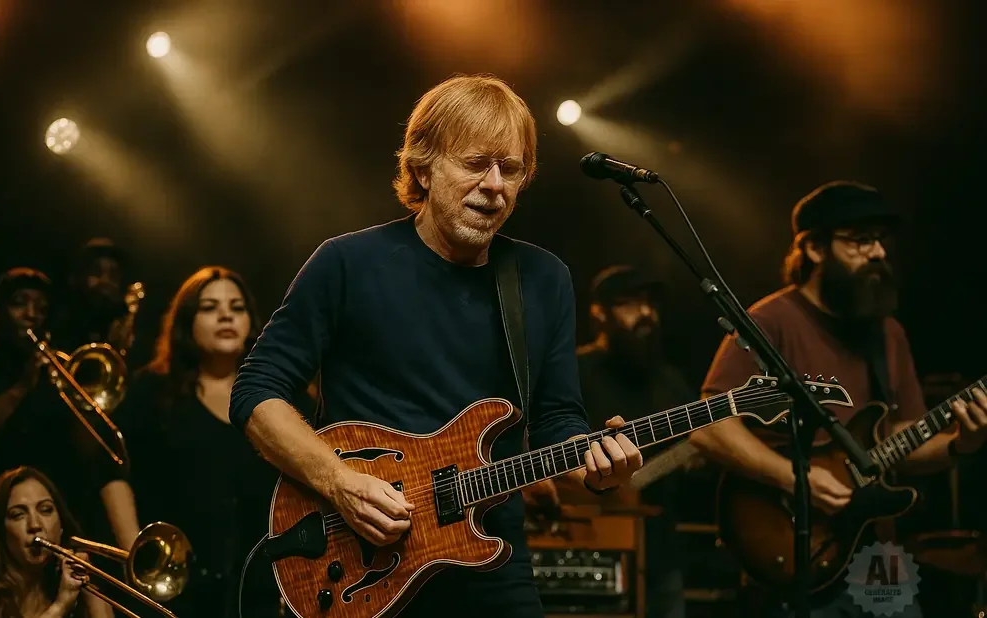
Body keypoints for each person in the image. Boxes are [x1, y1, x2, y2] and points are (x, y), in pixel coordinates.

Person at [229, 73, 643, 618]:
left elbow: (556, 419)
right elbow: (256, 391)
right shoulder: (347, 263)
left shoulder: (542, 279)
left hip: (492, 565)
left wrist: (595, 466)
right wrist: (339, 482)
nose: (495, 185)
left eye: (511, 169)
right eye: (476, 164)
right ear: (423, 166)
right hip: (365, 559)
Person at [688, 181, 987, 617]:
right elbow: (709, 425)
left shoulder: (887, 332)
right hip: (792, 541)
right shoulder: (770, 321)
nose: (879, 253)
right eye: (860, 241)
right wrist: (795, 478)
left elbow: (903, 436)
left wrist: (963, 444)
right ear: (813, 249)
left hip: (879, 550)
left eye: (881, 240)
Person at [115, 267, 301, 618]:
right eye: (210, 307)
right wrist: (135, 555)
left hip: (259, 589)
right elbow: (112, 471)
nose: (226, 315)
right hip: (175, 588)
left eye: (236, 306)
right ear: (187, 320)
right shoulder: (151, 392)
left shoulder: (280, 398)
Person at [0, 268, 138, 553]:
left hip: (58, 520)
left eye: (41, 308)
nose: (32, 314)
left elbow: (91, 454)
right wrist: (21, 387)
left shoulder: (54, 375)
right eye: (20, 303)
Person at [576, 265, 693, 618]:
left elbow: (698, 451)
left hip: (659, 552)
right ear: (600, 313)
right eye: (630, 304)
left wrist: (696, 456)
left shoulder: (671, 382)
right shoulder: (574, 371)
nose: (645, 314)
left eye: (649, 305)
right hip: (585, 540)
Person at [0, 466, 113, 618]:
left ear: (61, 527)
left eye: (46, 510)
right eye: (18, 515)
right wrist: (61, 606)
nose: (34, 525)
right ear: (0, 533)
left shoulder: (76, 589)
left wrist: (91, 594)